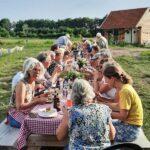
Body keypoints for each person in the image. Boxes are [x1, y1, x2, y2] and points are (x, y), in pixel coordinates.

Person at [56, 79, 116, 149]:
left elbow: (59, 136)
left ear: (73, 95)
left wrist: (65, 115)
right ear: (90, 92)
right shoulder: (104, 109)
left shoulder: (71, 112)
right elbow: (112, 136)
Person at [103, 64, 143, 142]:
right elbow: (119, 106)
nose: (106, 82)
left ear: (112, 78)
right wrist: (102, 105)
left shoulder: (125, 91)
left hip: (131, 130)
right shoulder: (125, 87)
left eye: (106, 79)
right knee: (101, 126)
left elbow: (123, 116)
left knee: (99, 132)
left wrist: (104, 112)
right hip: (129, 126)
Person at [7, 58, 48, 128]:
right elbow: (20, 107)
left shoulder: (32, 82)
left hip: (25, 112)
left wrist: (40, 96)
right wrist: (38, 101)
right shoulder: (22, 84)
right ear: (29, 70)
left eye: (39, 70)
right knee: (41, 124)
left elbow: (28, 99)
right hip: (15, 116)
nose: (37, 72)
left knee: (45, 119)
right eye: (34, 69)